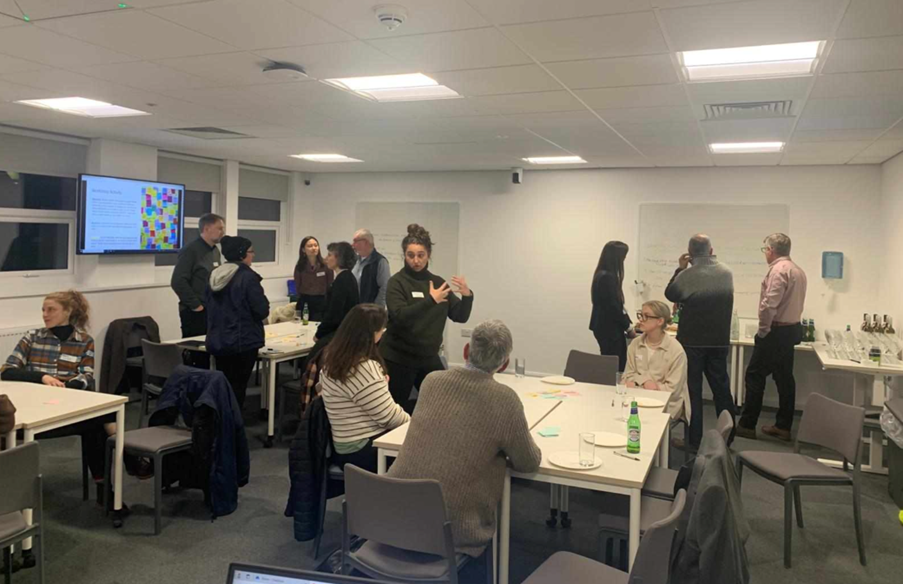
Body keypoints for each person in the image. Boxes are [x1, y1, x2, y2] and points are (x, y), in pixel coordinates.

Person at [388, 320, 541, 558]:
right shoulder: (505, 400)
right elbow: (528, 462)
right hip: (453, 529)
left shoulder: (432, 381)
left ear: (466, 352)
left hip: (392, 514)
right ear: (504, 365)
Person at [0, 291, 117, 495]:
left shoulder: (84, 341)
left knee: (96, 424)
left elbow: (86, 377)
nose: (45, 314)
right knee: (103, 420)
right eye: (43, 310)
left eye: (51, 310)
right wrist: (42, 377)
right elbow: (7, 370)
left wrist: (67, 390)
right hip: (34, 411)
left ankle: (105, 490)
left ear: (68, 311)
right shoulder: (32, 337)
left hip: (64, 409)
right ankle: (122, 469)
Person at [381, 224, 474, 413]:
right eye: (411, 255)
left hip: (427, 357)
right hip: (398, 358)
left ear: (428, 255)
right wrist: (430, 301)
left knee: (443, 405)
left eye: (420, 255)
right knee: (394, 410)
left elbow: (460, 316)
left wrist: (467, 296)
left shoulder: (438, 283)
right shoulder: (397, 282)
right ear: (404, 255)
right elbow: (399, 316)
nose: (416, 260)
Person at [665, 234, 735, 451]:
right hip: (719, 341)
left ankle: (693, 441)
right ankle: (728, 436)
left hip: (692, 342)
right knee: (721, 388)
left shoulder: (688, 274)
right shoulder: (726, 272)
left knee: (692, 391)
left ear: (690, 253)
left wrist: (680, 269)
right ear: (711, 250)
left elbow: (670, 294)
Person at [319, 304, 410, 472]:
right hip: (362, 449)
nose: (383, 333)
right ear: (371, 334)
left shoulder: (332, 359)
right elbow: (390, 417)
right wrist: (417, 426)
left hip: (344, 445)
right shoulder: (363, 367)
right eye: (381, 329)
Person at [737, 234, 808, 441]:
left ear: (770, 250)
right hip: (792, 329)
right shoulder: (798, 270)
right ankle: (783, 426)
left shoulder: (778, 271)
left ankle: (747, 424)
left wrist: (763, 330)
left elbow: (769, 305)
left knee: (755, 375)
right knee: (784, 378)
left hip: (775, 331)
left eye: (765, 250)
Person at [205, 235, 269, 408]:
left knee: (224, 386)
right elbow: (261, 310)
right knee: (238, 388)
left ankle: (221, 425)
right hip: (243, 341)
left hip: (218, 340)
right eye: (251, 251)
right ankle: (233, 428)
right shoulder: (248, 278)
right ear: (242, 254)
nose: (253, 255)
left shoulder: (214, 275)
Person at [623, 301, 690, 423]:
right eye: (640, 315)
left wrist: (640, 385)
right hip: (637, 399)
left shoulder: (676, 350)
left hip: (667, 404)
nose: (641, 319)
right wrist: (646, 382)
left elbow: (672, 389)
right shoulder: (635, 344)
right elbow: (627, 377)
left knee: (646, 420)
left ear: (660, 321)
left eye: (646, 316)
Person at [171, 213, 224, 369]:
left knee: (209, 356)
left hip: (212, 310)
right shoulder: (191, 250)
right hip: (195, 313)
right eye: (219, 228)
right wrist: (196, 306)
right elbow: (178, 281)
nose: (222, 232)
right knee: (197, 358)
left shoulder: (215, 251)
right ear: (207, 228)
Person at [590, 241, 633, 371]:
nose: (624, 259)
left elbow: (616, 305)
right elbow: (614, 307)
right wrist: (628, 327)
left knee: (612, 361)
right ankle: (611, 389)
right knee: (615, 364)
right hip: (609, 328)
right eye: (623, 256)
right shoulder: (607, 277)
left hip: (604, 326)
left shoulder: (602, 274)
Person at [293, 236, 333, 321]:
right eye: (310, 246)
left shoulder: (326, 265)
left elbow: (330, 283)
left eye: (315, 245)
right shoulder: (300, 267)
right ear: (303, 250)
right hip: (305, 301)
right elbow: (297, 285)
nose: (313, 248)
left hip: (321, 302)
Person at [351, 228, 391, 308]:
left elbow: (384, 288)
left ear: (365, 242)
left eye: (355, 241)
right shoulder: (355, 261)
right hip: (355, 310)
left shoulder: (380, 262)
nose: (353, 245)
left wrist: (375, 309)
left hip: (371, 312)